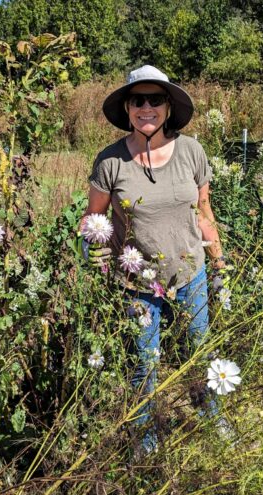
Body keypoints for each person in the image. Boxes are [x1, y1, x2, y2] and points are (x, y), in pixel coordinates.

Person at [80, 65, 227, 453]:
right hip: (138, 282)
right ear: (127, 109)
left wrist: (218, 263)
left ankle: (212, 416)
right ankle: (144, 437)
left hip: (190, 273)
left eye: (155, 99)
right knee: (144, 363)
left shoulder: (192, 151)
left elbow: (204, 211)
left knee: (199, 351)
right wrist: (93, 249)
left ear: (168, 106)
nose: (147, 107)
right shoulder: (110, 162)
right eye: (138, 100)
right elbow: (93, 217)